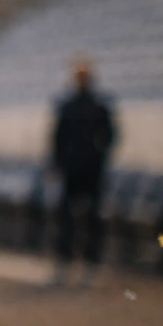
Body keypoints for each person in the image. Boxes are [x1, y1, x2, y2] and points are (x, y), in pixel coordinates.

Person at [49, 60, 116, 285]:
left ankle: (90, 263)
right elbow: (57, 138)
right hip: (72, 169)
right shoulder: (68, 106)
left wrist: (98, 155)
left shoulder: (98, 105)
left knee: (93, 217)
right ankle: (65, 262)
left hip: (92, 170)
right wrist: (57, 164)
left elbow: (110, 135)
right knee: (66, 216)